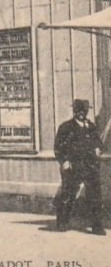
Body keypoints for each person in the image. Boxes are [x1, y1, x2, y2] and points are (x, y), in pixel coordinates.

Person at [53, 99, 104, 235]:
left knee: (95, 196)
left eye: (84, 111)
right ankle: (62, 222)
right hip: (72, 165)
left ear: (87, 112)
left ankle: (97, 226)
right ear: (74, 111)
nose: (81, 113)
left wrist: (98, 149)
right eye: (78, 111)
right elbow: (58, 147)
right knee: (68, 194)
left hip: (90, 165)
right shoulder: (66, 127)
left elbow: (98, 142)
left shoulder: (91, 127)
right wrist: (64, 161)